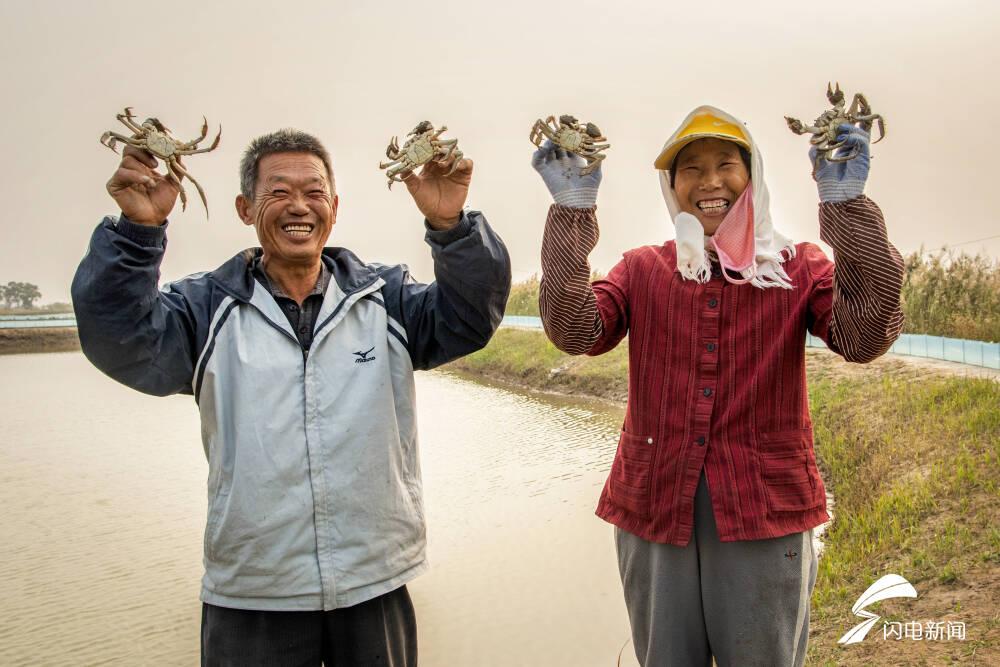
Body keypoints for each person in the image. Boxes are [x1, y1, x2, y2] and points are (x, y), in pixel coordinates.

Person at [72, 128, 511, 666]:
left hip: (373, 579)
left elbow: (470, 317)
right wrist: (138, 232)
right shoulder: (203, 309)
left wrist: (451, 225)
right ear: (244, 208)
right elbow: (121, 341)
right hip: (254, 590)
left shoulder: (387, 300)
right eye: (278, 193)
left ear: (334, 208)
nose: (298, 206)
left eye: (314, 192)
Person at [532, 106, 904, 666]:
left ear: (751, 176)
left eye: (726, 164)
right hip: (655, 506)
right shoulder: (642, 270)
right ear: (672, 186)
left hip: (762, 509)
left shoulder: (795, 267)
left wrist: (845, 206)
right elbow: (573, 329)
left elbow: (866, 335)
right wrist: (570, 215)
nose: (710, 182)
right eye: (692, 169)